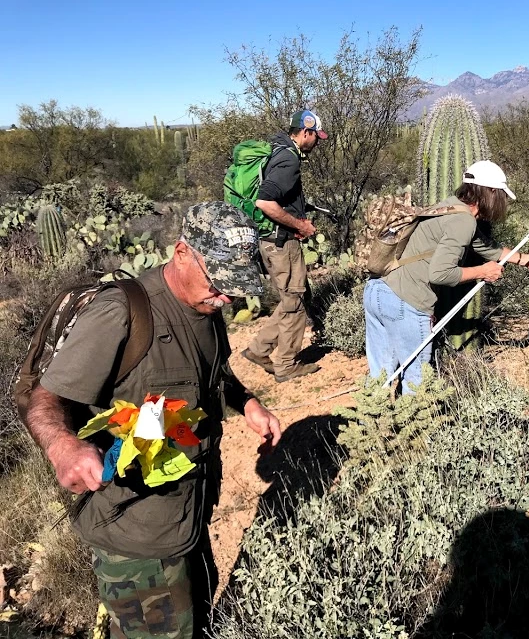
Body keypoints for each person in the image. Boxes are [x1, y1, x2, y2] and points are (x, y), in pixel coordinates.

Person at [24, 202, 282, 639]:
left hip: (189, 520)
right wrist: (62, 446)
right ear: (182, 252)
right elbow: (45, 399)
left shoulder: (208, 309)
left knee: (198, 624)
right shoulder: (120, 315)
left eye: (234, 288)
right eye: (218, 283)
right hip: (136, 539)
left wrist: (248, 401)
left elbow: (211, 372)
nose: (226, 297)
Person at [363, 160, 529, 391]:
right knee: (417, 385)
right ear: (489, 192)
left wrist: (525, 259)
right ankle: (415, 427)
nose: (503, 202)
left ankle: (374, 425)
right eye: (501, 195)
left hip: (378, 291)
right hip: (406, 303)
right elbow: (440, 274)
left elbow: (486, 247)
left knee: (379, 380)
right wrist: (483, 272)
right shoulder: (463, 221)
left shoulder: (451, 206)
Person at [242, 109, 328, 382]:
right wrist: (300, 225)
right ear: (306, 132)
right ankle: (286, 366)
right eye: (316, 137)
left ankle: (259, 350)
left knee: (290, 299)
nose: (317, 142)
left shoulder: (277, 149)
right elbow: (265, 202)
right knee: (295, 303)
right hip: (281, 244)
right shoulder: (289, 161)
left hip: (270, 240)